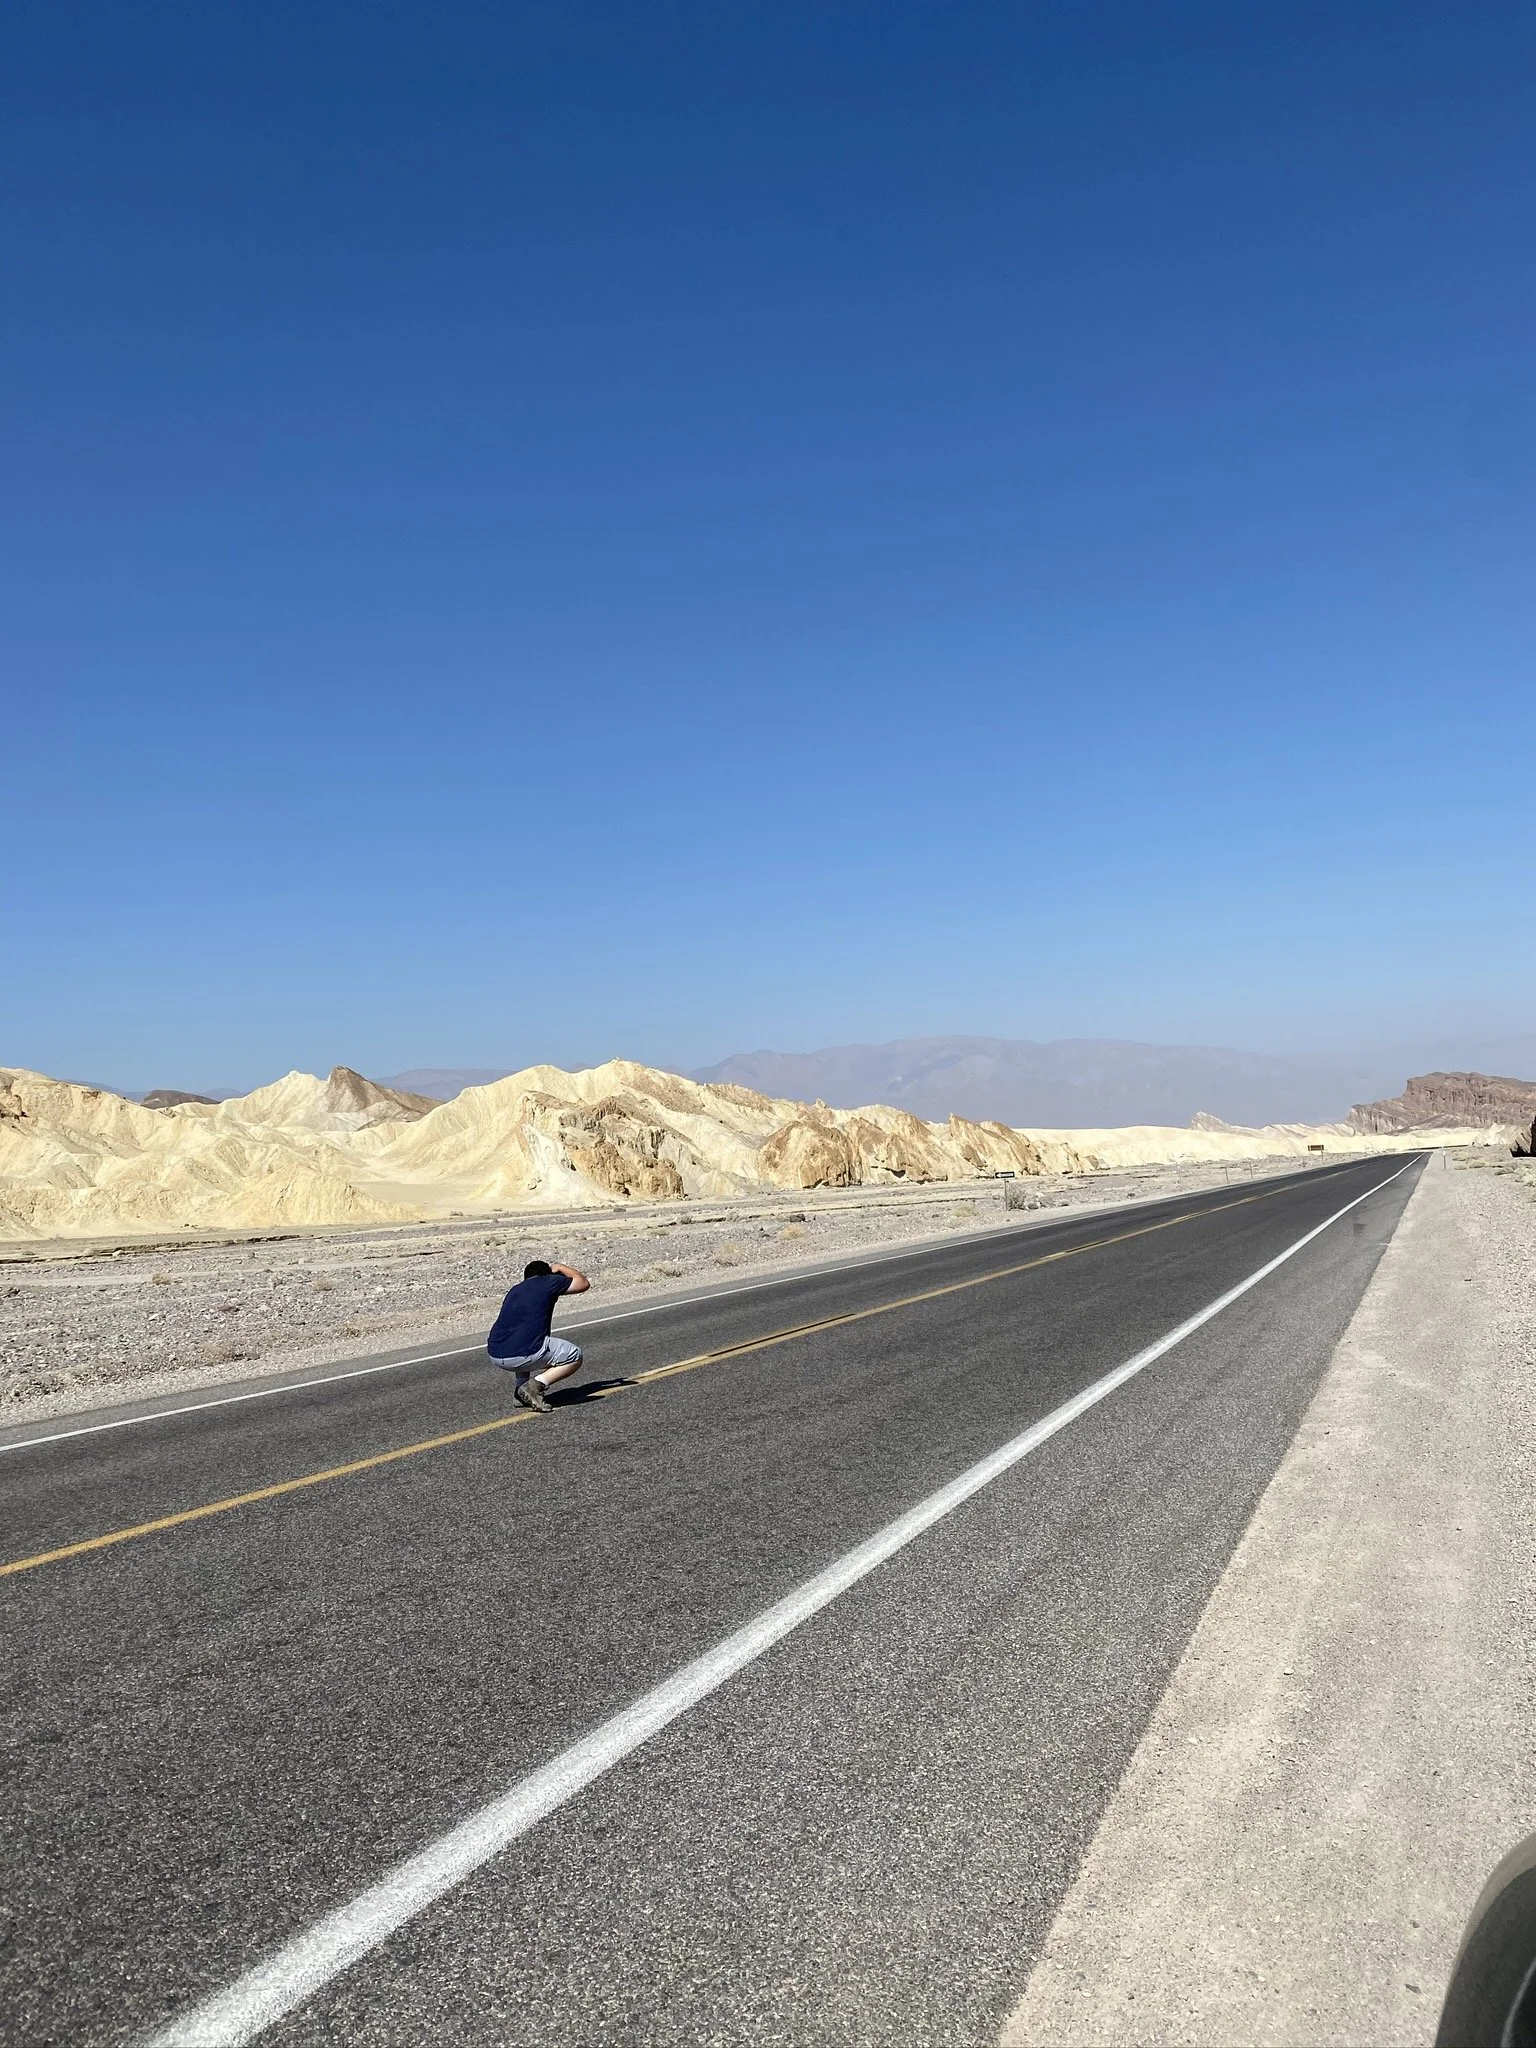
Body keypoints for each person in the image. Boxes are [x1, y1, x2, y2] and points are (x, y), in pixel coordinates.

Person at [486, 1258, 590, 1411]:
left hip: (496, 1354)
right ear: (547, 1274)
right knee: (574, 1355)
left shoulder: (515, 1290)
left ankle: (519, 1392)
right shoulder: (547, 1282)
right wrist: (559, 1267)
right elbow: (583, 1283)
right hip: (522, 1354)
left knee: (523, 1340)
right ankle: (534, 1386)